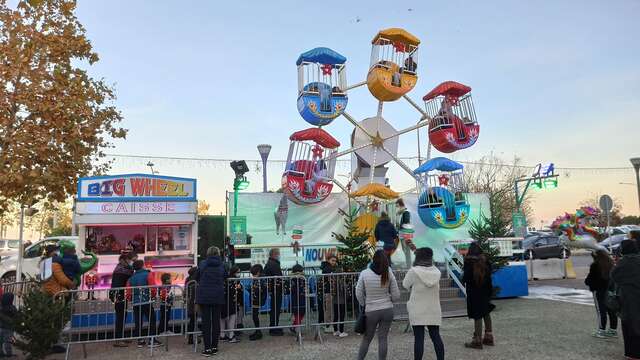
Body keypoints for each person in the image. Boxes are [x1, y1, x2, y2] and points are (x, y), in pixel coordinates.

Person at [355, 249, 401, 360]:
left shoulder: (365, 273)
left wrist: (364, 304)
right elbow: (396, 295)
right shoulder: (388, 272)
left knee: (367, 338)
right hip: (387, 309)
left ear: (373, 259)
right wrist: (389, 300)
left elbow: (358, 293)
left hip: (371, 310)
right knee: (383, 338)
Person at [403, 247, 444, 360]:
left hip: (418, 309)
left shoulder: (413, 271)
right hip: (433, 309)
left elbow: (405, 284)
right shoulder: (437, 272)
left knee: (419, 339)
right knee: (436, 336)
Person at [463, 242, 495, 349]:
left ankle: (477, 341)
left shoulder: (468, 262)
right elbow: (489, 277)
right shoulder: (486, 262)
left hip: (474, 293)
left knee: (477, 315)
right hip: (485, 292)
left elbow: (465, 278)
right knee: (485, 312)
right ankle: (489, 337)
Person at [611, 240, 640, 359]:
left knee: (629, 325)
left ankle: (632, 353)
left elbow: (614, 276)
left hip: (628, 298)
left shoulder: (623, 263)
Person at [196, 246, 227, 357]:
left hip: (204, 296)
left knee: (206, 323)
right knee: (216, 322)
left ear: (208, 253)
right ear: (218, 253)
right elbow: (225, 277)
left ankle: (207, 348)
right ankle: (215, 346)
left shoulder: (203, 264)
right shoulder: (222, 265)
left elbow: (197, 277)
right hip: (217, 296)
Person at [125, 260, 161, 348]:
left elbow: (128, 292)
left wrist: (131, 299)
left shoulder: (131, 278)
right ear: (142, 266)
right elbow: (153, 287)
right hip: (146, 301)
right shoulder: (148, 274)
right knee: (151, 320)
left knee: (138, 321)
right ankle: (152, 340)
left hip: (136, 303)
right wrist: (152, 296)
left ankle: (140, 340)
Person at [585, 249, 618, 338]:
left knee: (600, 310)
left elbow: (589, 280)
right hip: (609, 290)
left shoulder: (595, 265)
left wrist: (588, 282)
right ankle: (613, 330)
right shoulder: (611, 264)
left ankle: (601, 330)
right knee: (611, 310)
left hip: (598, 290)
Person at [110, 253, 134, 347]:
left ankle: (121, 337)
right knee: (120, 316)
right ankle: (118, 339)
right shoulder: (121, 270)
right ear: (123, 260)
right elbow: (130, 275)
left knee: (123, 315)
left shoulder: (121, 269)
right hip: (118, 295)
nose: (130, 262)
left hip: (120, 295)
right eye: (129, 260)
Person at [263, 248, 284, 336]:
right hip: (276, 289)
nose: (279, 255)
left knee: (275, 308)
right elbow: (278, 277)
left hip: (274, 289)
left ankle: (274, 326)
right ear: (274, 254)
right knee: (276, 309)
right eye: (278, 254)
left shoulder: (271, 263)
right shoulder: (273, 264)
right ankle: (273, 328)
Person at [220, 266, 242, 343]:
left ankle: (222, 335)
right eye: (238, 272)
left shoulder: (225, 279)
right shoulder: (234, 280)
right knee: (232, 316)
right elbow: (236, 291)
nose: (239, 274)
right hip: (231, 301)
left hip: (222, 300)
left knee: (222, 317)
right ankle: (231, 336)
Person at [318, 255, 338, 334]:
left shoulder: (326, 267)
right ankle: (328, 325)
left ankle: (328, 324)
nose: (334, 262)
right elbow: (330, 280)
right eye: (332, 260)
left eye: (335, 261)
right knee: (329, 308)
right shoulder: (328, 268)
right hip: (328, 290)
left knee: (328, 308)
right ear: (328, 260)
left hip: (328, 290)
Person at [249, 264, 267, 341]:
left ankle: (258, 332)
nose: (253, 276)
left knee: (255, 316)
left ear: (258, 272)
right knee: (254, 316)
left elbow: (260, 290)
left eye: (254, 274)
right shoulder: (259, 278)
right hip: (255, 299)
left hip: (257, 299)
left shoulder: (261, 279)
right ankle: (257, 330)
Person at [330, 264, 349, 338]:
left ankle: (335, 331)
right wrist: (347, 297)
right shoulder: (342, 282)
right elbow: (345, 292)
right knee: (341, 316)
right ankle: (341, 331)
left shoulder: (334, 282)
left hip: (335, 301)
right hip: (342, 301)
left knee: (336, 316)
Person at [395, 199, 413, 269]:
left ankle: (409, 265)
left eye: (397, 206)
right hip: (403, 233)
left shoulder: (406, 212)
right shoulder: (402, 213)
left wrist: (399, 226)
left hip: (406, 233)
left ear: (400, 205)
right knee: (404, 249)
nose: (397, 208)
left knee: (406, 249)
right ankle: (408, 264)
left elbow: (406, 222)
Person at [289, 264, 306, 334]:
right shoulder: (294, 278)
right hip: (297, 299)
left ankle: (294, 326)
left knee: (301, 313)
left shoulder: (302, 278)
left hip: (300, 299)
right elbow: (294, 289)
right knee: (298, 314)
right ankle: (297, 329)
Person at [0, 293, 17, 357]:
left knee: (0, 342)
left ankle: (1, 353)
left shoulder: (1, 307)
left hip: (1, 327)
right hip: (9, 328)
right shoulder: (12, 308)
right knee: (7, 342)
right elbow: (16, 316)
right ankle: (9, 354)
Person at [185, 266, 198, 345]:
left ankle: (190, 338)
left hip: (190, 303)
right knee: (194, 320)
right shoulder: (195, 280)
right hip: (196, 303)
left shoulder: (188, 279)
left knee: (192, 321)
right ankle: (194, 338)